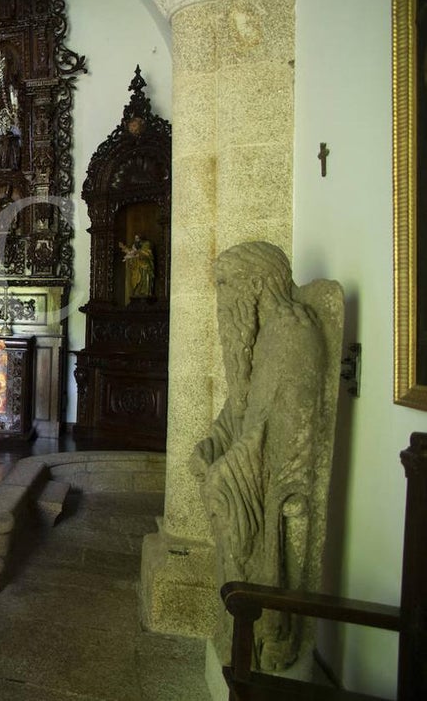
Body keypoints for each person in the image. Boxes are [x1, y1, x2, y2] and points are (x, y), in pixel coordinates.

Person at [189, 242, 337, 672]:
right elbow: (244, 405)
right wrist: (214, 442)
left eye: (226, 284)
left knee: (223, 486)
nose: (222, 298)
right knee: (217, 477)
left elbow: (285, 435)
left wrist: (229, 465)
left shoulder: (292, 333)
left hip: (279, 483)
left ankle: (264, 633)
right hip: (254, 459)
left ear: (256, 282)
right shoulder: (264, 332)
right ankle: (241, 632)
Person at [119, 234, 155, 300]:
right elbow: (133, 254)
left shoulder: (146, 248)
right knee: (138, 279)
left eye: (137, 238)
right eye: (135, 239)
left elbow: (146, 255)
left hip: (145, 267)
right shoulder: (136, 248)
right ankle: (138, 292)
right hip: (138, 267)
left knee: (145, 279)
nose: (136, 240)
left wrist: (138, 253)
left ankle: (145, 292)